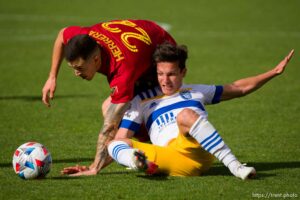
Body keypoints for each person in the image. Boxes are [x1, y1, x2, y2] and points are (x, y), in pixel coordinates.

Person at [107, 42, 294, 179]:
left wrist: (273, 72)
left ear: (183, 72)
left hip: (197, 152)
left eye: (171, 74)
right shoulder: (141, 100)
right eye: (160, 74)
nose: (165, 80)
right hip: (169, 159)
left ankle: (235, 166)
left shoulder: (195, 91)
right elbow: (123, 136)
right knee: (113, 144)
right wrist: (100, 164)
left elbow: (238, 88)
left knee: (185, 115)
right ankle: (140, 164)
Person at [42, 19, 176, 176]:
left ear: (96, 59)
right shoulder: (83, 37)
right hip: (143, 41)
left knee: (115, 116)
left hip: (163, 51)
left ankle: (157, 149)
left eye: (79, 68)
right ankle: (142, 144)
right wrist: (52, 77)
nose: (76, 74)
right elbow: (62, 34)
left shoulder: (122, 70)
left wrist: (95, 168)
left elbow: (109, 127)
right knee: (116, 114)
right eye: (72, 68)